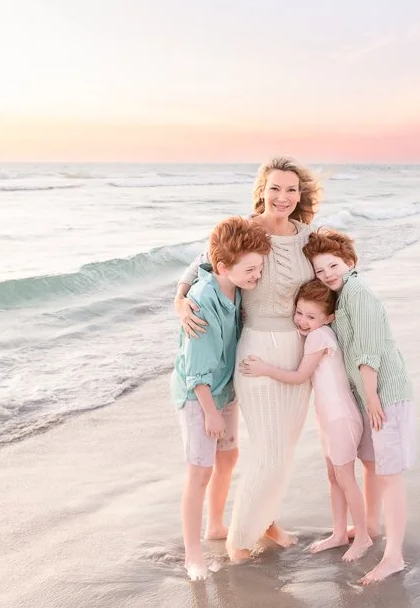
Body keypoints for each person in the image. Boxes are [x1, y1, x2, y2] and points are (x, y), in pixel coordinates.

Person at [174, 157, 323, 562]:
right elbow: (202, 264)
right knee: (269, 449)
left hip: (297, 349)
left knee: (283, 448)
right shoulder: (247, 229)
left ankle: (265, 518)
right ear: (262, 191)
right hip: (256, 347)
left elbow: (333, 281)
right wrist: (179, 299)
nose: (283, 197)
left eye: (291, 189)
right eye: (275, 188)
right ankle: (240, 540)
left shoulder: (308, 238)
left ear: (300, 194)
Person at [303, 227, 416, 585]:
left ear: (350, 262)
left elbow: (368, 352)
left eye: (333, 266)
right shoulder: (344, 296)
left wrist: (370, 399)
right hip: (370, 394)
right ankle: (369, 527)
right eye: (320, 271)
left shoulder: (358, 294)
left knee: (389, 474)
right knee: (370, 463)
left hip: (384, 394)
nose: (328, 275)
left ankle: (394, 556)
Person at [240, 279, 371, 562]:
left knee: (346, 480)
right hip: (329, 419)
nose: (302, 320)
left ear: (328, 318)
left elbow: (300, 376)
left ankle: (362, 537)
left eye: (311, 316)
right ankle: (338, 533)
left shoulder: (319, 337)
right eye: (299, 312)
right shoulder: (316, 334)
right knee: (334, 479)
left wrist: (264, 368)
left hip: (340, 419)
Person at [170, 216, 271, 580]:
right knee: (200, 471)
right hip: (200, 397)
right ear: (224, 267)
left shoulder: (236, 285)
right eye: (251, 270)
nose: (256, 277)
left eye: (259, 269)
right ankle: (192, 554)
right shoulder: (202, 300)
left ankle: (215, 525)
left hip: (225, 390)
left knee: (228, 458)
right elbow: (196, 367)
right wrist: (210, 412)